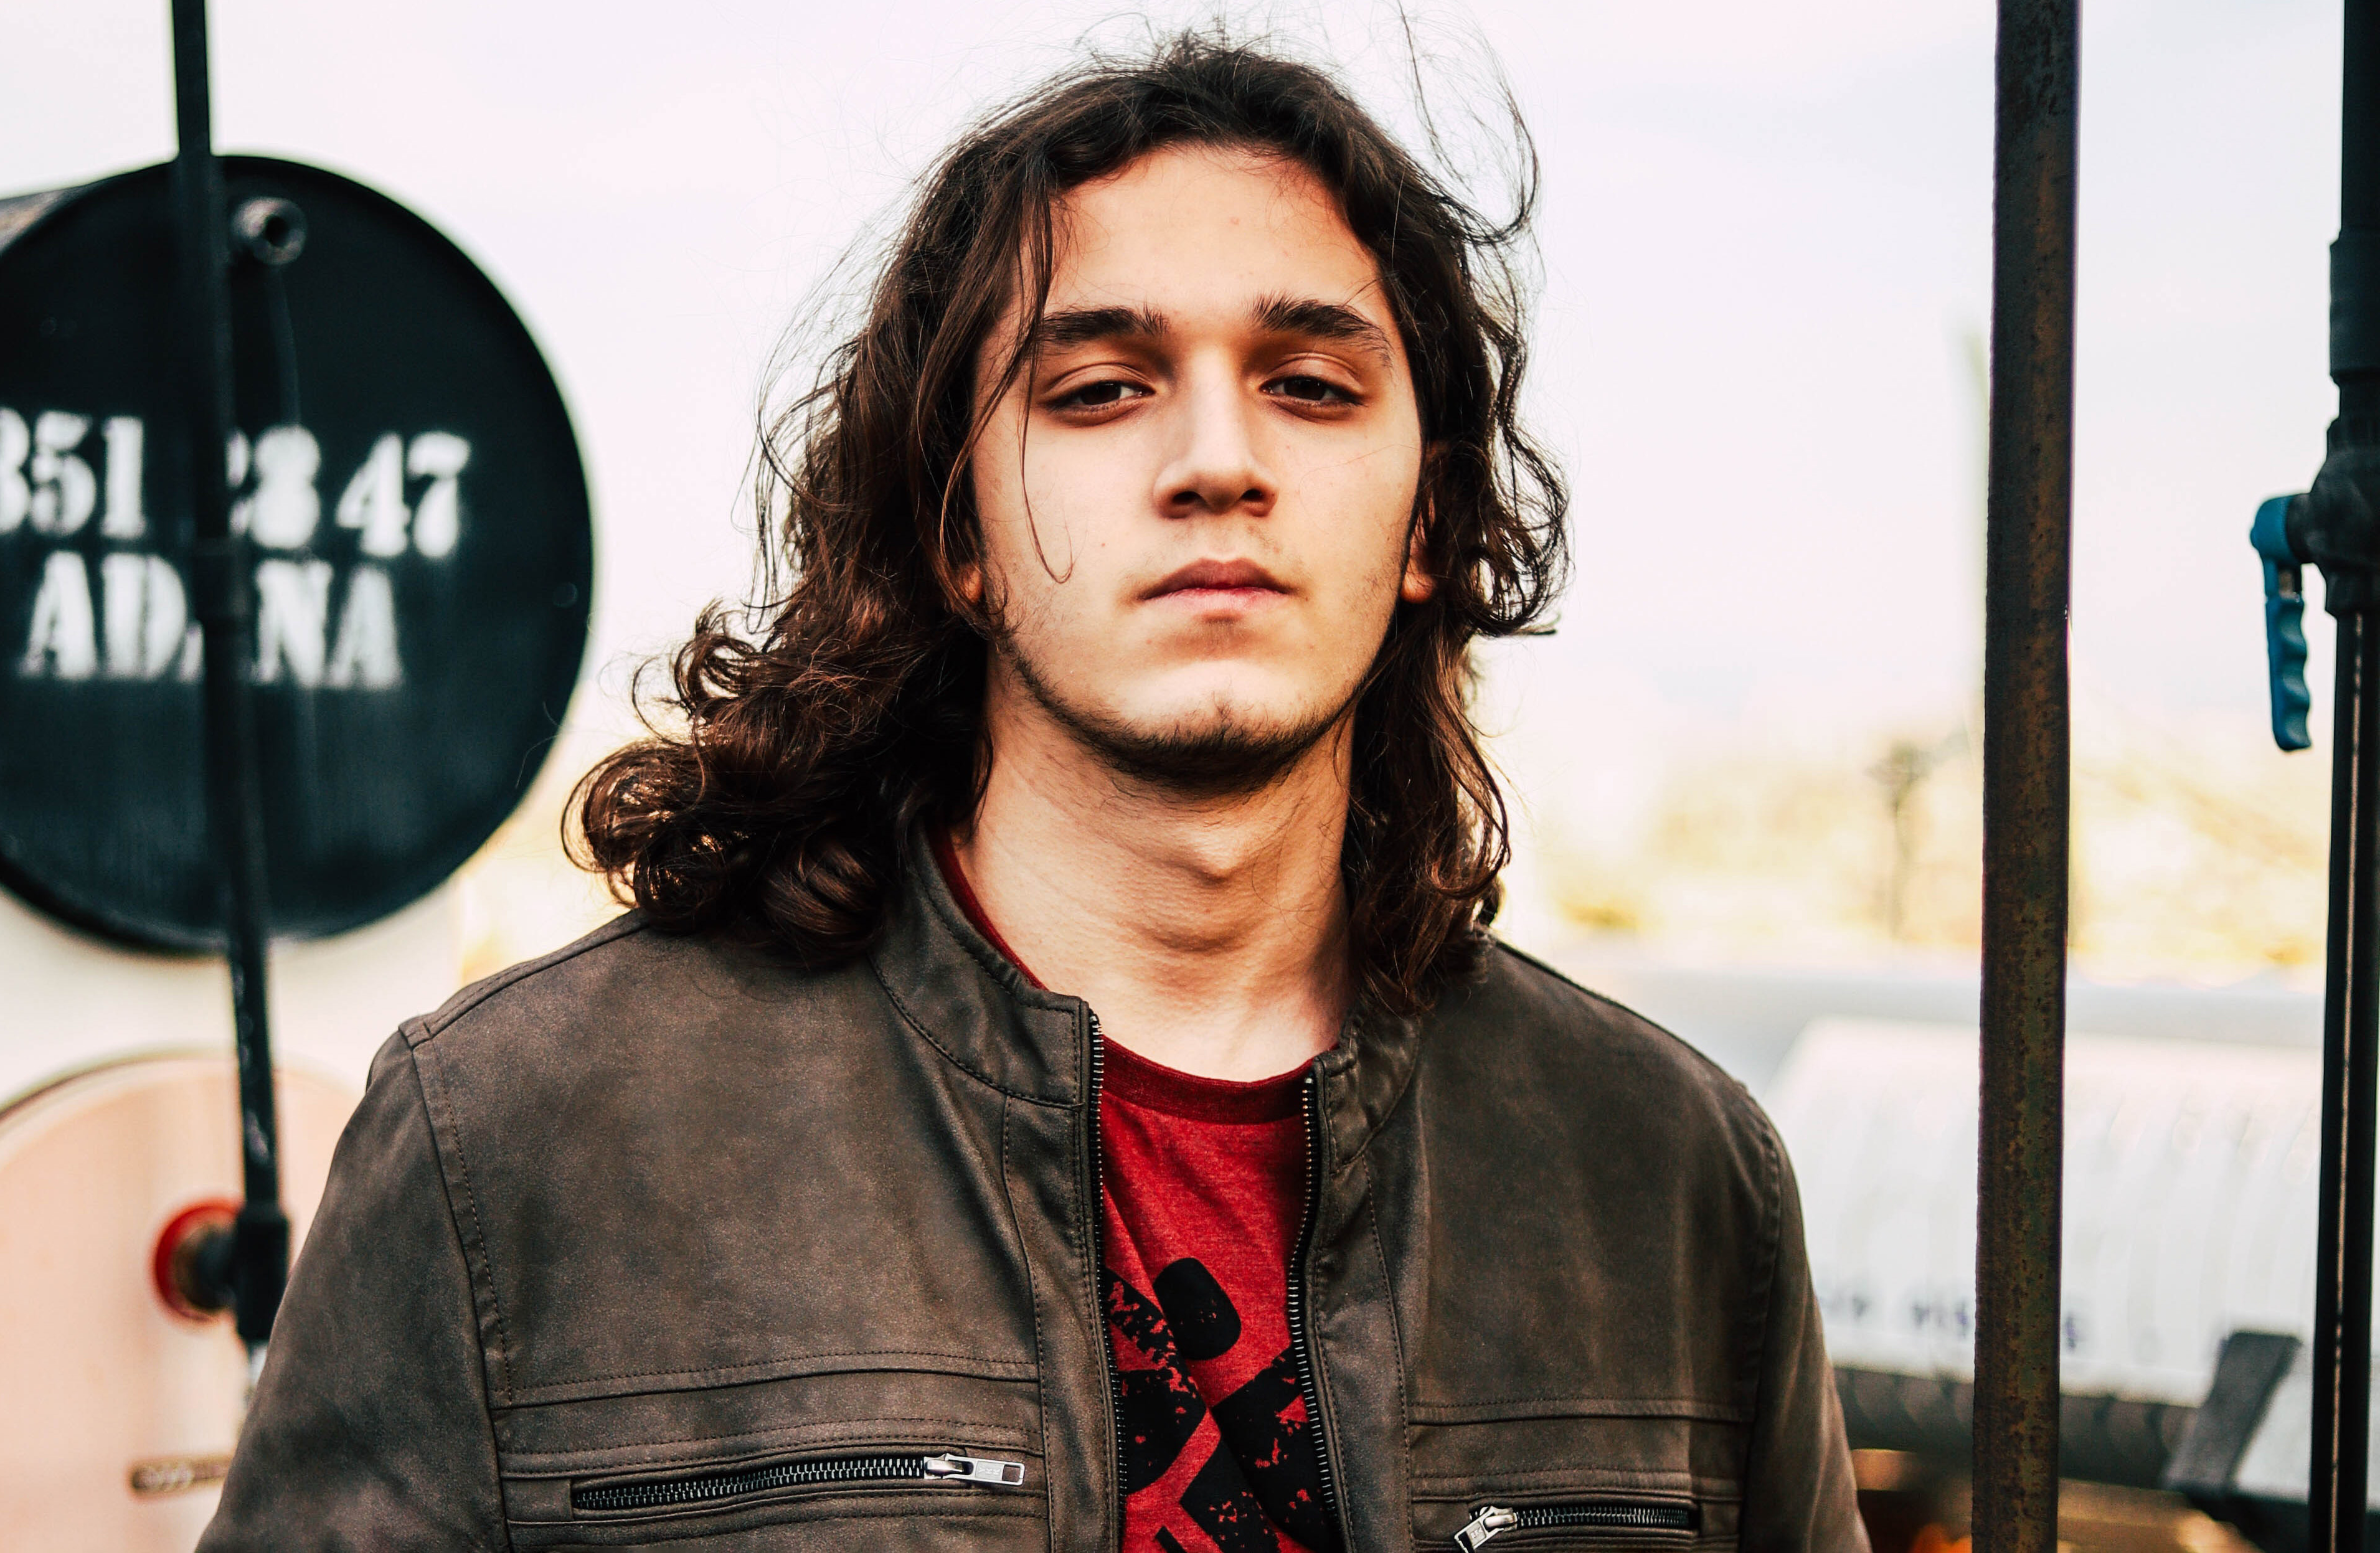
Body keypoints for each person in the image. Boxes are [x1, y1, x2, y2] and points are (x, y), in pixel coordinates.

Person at [200, 32, 1864, 1553]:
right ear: (960, 537)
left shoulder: (1662, 1175)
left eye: (1312, 382)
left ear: (1428, 522)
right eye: (1098, 390)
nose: (1219, 458)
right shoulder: (521, 1144)